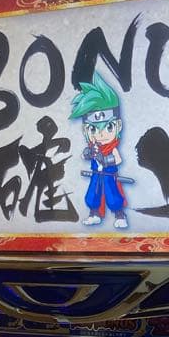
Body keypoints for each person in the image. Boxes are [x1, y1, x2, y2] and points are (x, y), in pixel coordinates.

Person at [70, 71, 129, 230]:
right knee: (93, 195)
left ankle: (119, 215)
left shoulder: (112, 147)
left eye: (108, 127)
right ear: (86, 130)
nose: (101, 134)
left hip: (109, 175)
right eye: (94, 129)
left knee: (113, 195)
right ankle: (94, 214)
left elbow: (118, 159)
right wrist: (89, 153)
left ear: (118, 126)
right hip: (96, 174)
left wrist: (105, 160)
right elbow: (84, 155)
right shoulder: (93, 146)